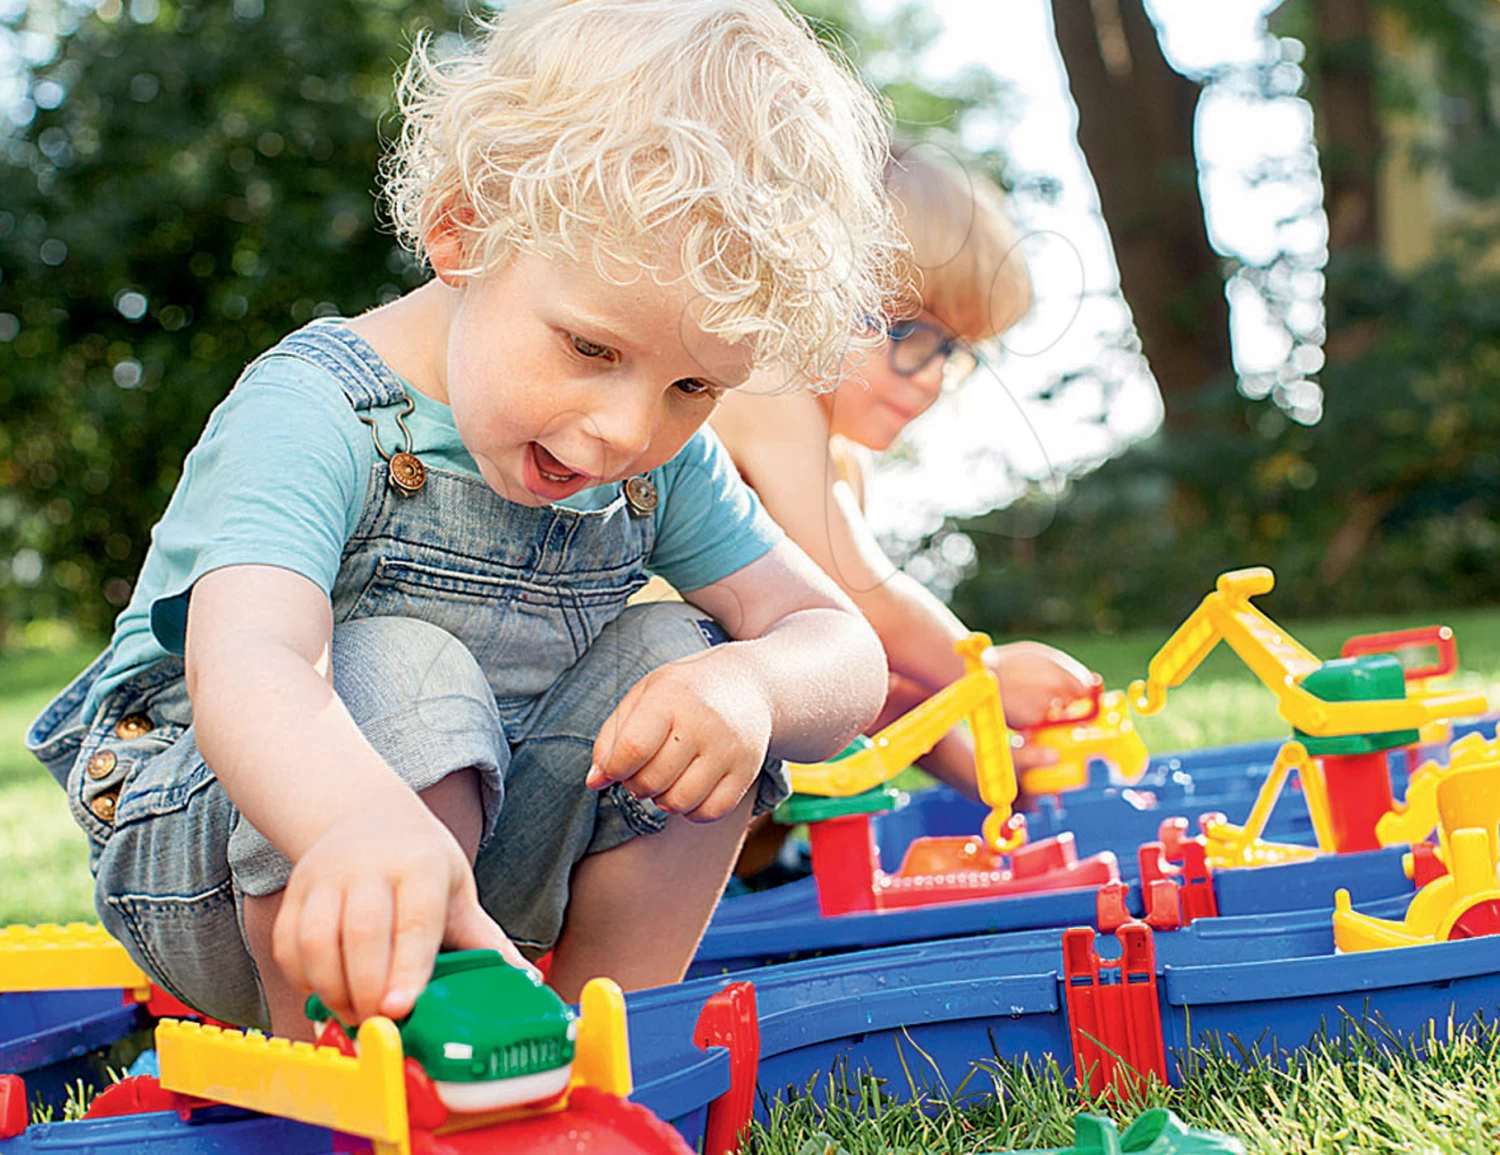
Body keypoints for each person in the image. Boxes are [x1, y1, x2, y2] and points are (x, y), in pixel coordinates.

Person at [25, 0, 903, 1038]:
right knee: (401, 663)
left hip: (492, 853)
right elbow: (250, 662)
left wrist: (753, 684)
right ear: (464, 231)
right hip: (236, 848)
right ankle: (359, 1062)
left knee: (691, 659)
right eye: (589, 349)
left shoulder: (660, 466)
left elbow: (845, 648)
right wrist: (356, 821)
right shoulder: (317, 413)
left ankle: (596, 1046)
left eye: (694, 387)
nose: (626, 429)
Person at [712, 142, 1093, 837]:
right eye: (907, 331)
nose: (932, 376)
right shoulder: (763, 387)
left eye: (956, 351)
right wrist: (987, 671)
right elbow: (863, 600)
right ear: (808, 291)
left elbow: (871, 673)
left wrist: (991, 767)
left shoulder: (844, 465)